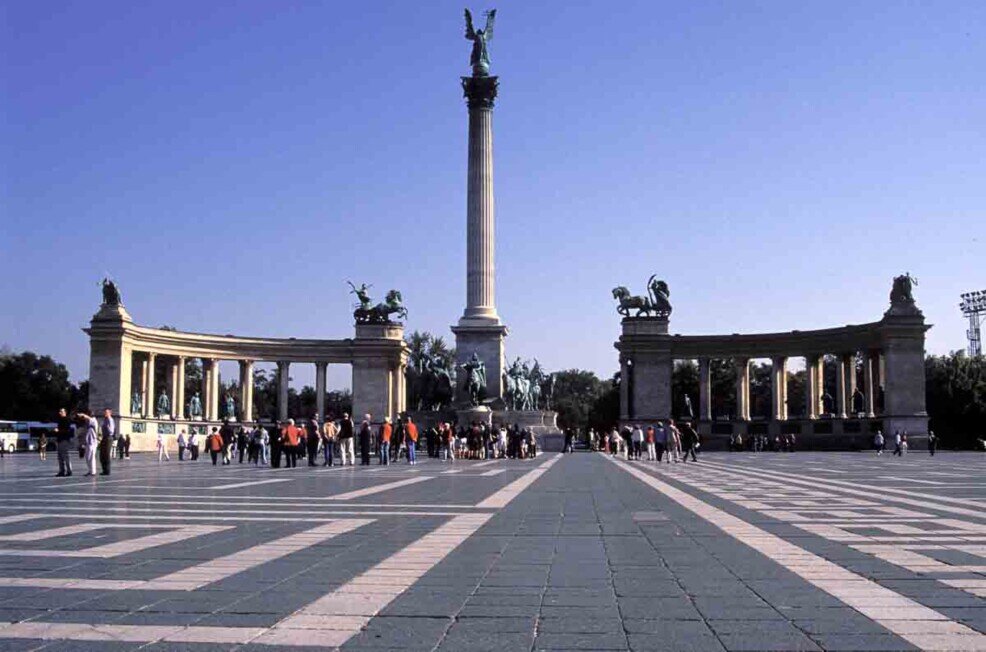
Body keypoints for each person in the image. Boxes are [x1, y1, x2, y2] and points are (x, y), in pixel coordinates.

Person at [78, 410, 98, 476]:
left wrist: (83, 414)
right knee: (87, 457)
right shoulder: (88, 423)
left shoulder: (94, 421)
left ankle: (93, 471)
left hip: (92, 442)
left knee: (91, 457)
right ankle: (90, 470)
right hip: (88, 442)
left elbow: (89, 419)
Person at [54, 408, 73, 477]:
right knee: (60, 456)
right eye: (60, 411)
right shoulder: (60, 420)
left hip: (64, 440)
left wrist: (58, 431)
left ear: (65, 412)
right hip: (60, 440)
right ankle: (61, 471)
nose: (60, 413)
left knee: (65, 455)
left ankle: (69, 471)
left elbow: (67, 430)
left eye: (61, 411)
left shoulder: (67, 420)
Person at [98, 408, 114, 475]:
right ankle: (104, 469)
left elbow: (111, 431)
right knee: (102, 454)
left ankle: (107, 470)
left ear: (110, 413)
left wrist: (107, 427)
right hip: (104, 437)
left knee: (106, 454)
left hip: (108, 438)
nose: (105, 413)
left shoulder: (110, 420)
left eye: (107, 412)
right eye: (105, 412)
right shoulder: (105, 420)